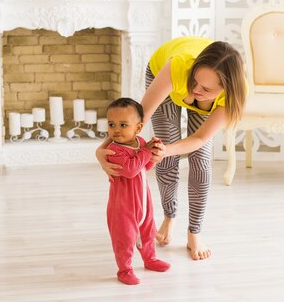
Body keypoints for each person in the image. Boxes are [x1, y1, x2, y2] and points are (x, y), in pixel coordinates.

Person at [97, 37, 247, 261]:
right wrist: (102, 149)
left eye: (205, 88)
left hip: (208, 103)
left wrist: (169, 149)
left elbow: (199, 139)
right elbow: (138, 119)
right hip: (166, 75)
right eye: (195, 81)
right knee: (163, 149)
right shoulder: (178, 68)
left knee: (201, 160)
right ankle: (169, 215)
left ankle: (194, 232)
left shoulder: (234, 98)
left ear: (225, 89)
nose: (196, 89)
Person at [105, 97, 171, 285]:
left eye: (123, 124)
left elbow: (145, 166)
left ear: (138, 128)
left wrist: (154, 153)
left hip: (143, 200)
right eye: (111, 124)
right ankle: (124, 269)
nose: (116, 129)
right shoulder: (114, 150)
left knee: (148, 231)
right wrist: (146, 153)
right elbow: (130, 169)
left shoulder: (139, 143)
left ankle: (150, 259)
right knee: (124, 238)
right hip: (123, 206)